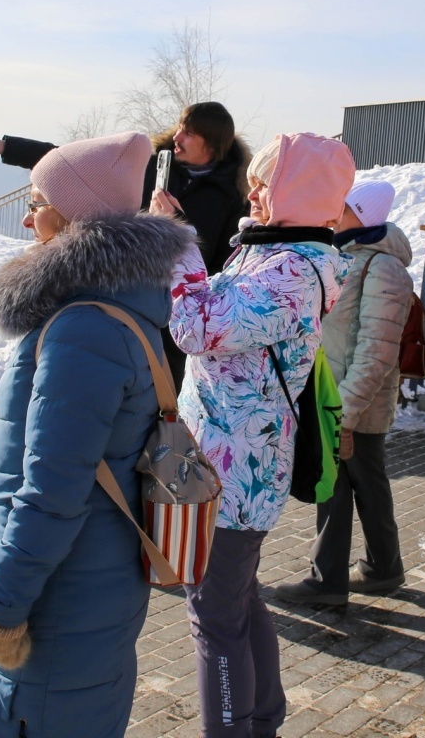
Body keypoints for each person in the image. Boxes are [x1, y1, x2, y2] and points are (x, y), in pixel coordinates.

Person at [0, 132, 197, 738]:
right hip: (100, 578)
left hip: (60, 594)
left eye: (38, 198)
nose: (27, 213)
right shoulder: (119, 305)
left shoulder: (82, 328)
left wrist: (0, 607)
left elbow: (52, 492)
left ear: (74, 214)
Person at [161, 132, 355, 738]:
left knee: (213, 619)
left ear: (301, 190)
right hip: (217, 459)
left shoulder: (296, 269)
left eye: (268, 180)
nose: (254, 189)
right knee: (238, 604)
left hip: (235, 472)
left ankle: (234, 728)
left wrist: (179, 245)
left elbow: (195, 326)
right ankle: (261, 720)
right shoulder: (272, 251)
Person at [274, 178, 415, 607]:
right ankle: (382, 568)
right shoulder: (346, 257)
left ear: (363, 216)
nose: (334, 213)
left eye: (344, 207)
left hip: (350, 401)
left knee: (335, 486)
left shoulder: (382, 268)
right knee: (367, 484)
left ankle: (326, 581)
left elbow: (377, 351)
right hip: (336, 397)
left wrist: (344, 414)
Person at [0, 101, 250, 274]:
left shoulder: (235, 197)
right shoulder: (148, 167)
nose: (177, 136)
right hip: (129, 287)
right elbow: (72, 167)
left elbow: (226, 264)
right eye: (179, 128)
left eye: (188, 133)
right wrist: (6, 147)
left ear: (211, 143)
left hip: (180, 315)